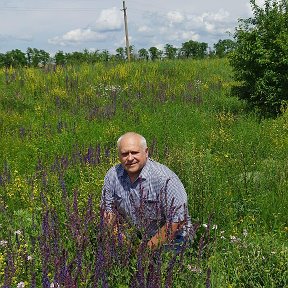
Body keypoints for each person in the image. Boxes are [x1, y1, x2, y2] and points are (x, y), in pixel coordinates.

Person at [100, 132, 191, 250]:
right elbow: (108, 211)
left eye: (134, 152)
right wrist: (121, 241)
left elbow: (177, 221)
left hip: (172, 236)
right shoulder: (113, 175)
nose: (130, 158)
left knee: (164, 265)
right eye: (124, 154)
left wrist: (143, 252)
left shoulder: (165, 179)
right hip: (135, 233)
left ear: (146, 152)